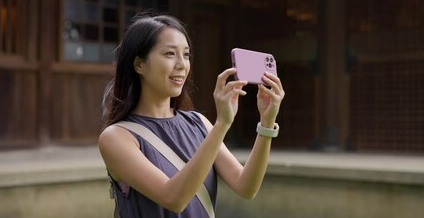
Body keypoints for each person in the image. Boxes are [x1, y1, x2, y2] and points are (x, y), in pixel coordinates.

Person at [99, 13, 285, 218]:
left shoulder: (199, 124)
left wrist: (266, 123)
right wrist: (222, 123)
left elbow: (246, 187)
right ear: (139, 65)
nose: (182, 65)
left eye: (186, 55)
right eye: (170, 54)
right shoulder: (116, 137)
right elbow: (173, 198)